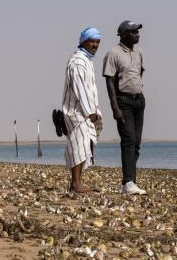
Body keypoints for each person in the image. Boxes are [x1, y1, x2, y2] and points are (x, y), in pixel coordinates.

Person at [103, 20, 148, 195]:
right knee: (128, 140)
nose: (137, 34)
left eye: (138, 31)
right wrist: (115, 107)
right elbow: (110, 81)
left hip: (139, 100)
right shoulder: (113, 53)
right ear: (122, 34)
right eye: (133, 32)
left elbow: (140, 73)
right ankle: (129, 181)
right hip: (123, 102)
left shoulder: (139, 51)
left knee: (136, 142)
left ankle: (128, 182)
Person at [62, 27, 104, 193]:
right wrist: (90, 112)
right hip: (77, 111)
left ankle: (78, 182)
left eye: (97, 42)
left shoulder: (87, 60)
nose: (95, 45)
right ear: (83, 42)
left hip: (84, 111)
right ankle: (76, 183)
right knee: (78, 146)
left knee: (84, 145)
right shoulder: (78, 62)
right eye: (92, 41)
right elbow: (81, 89)